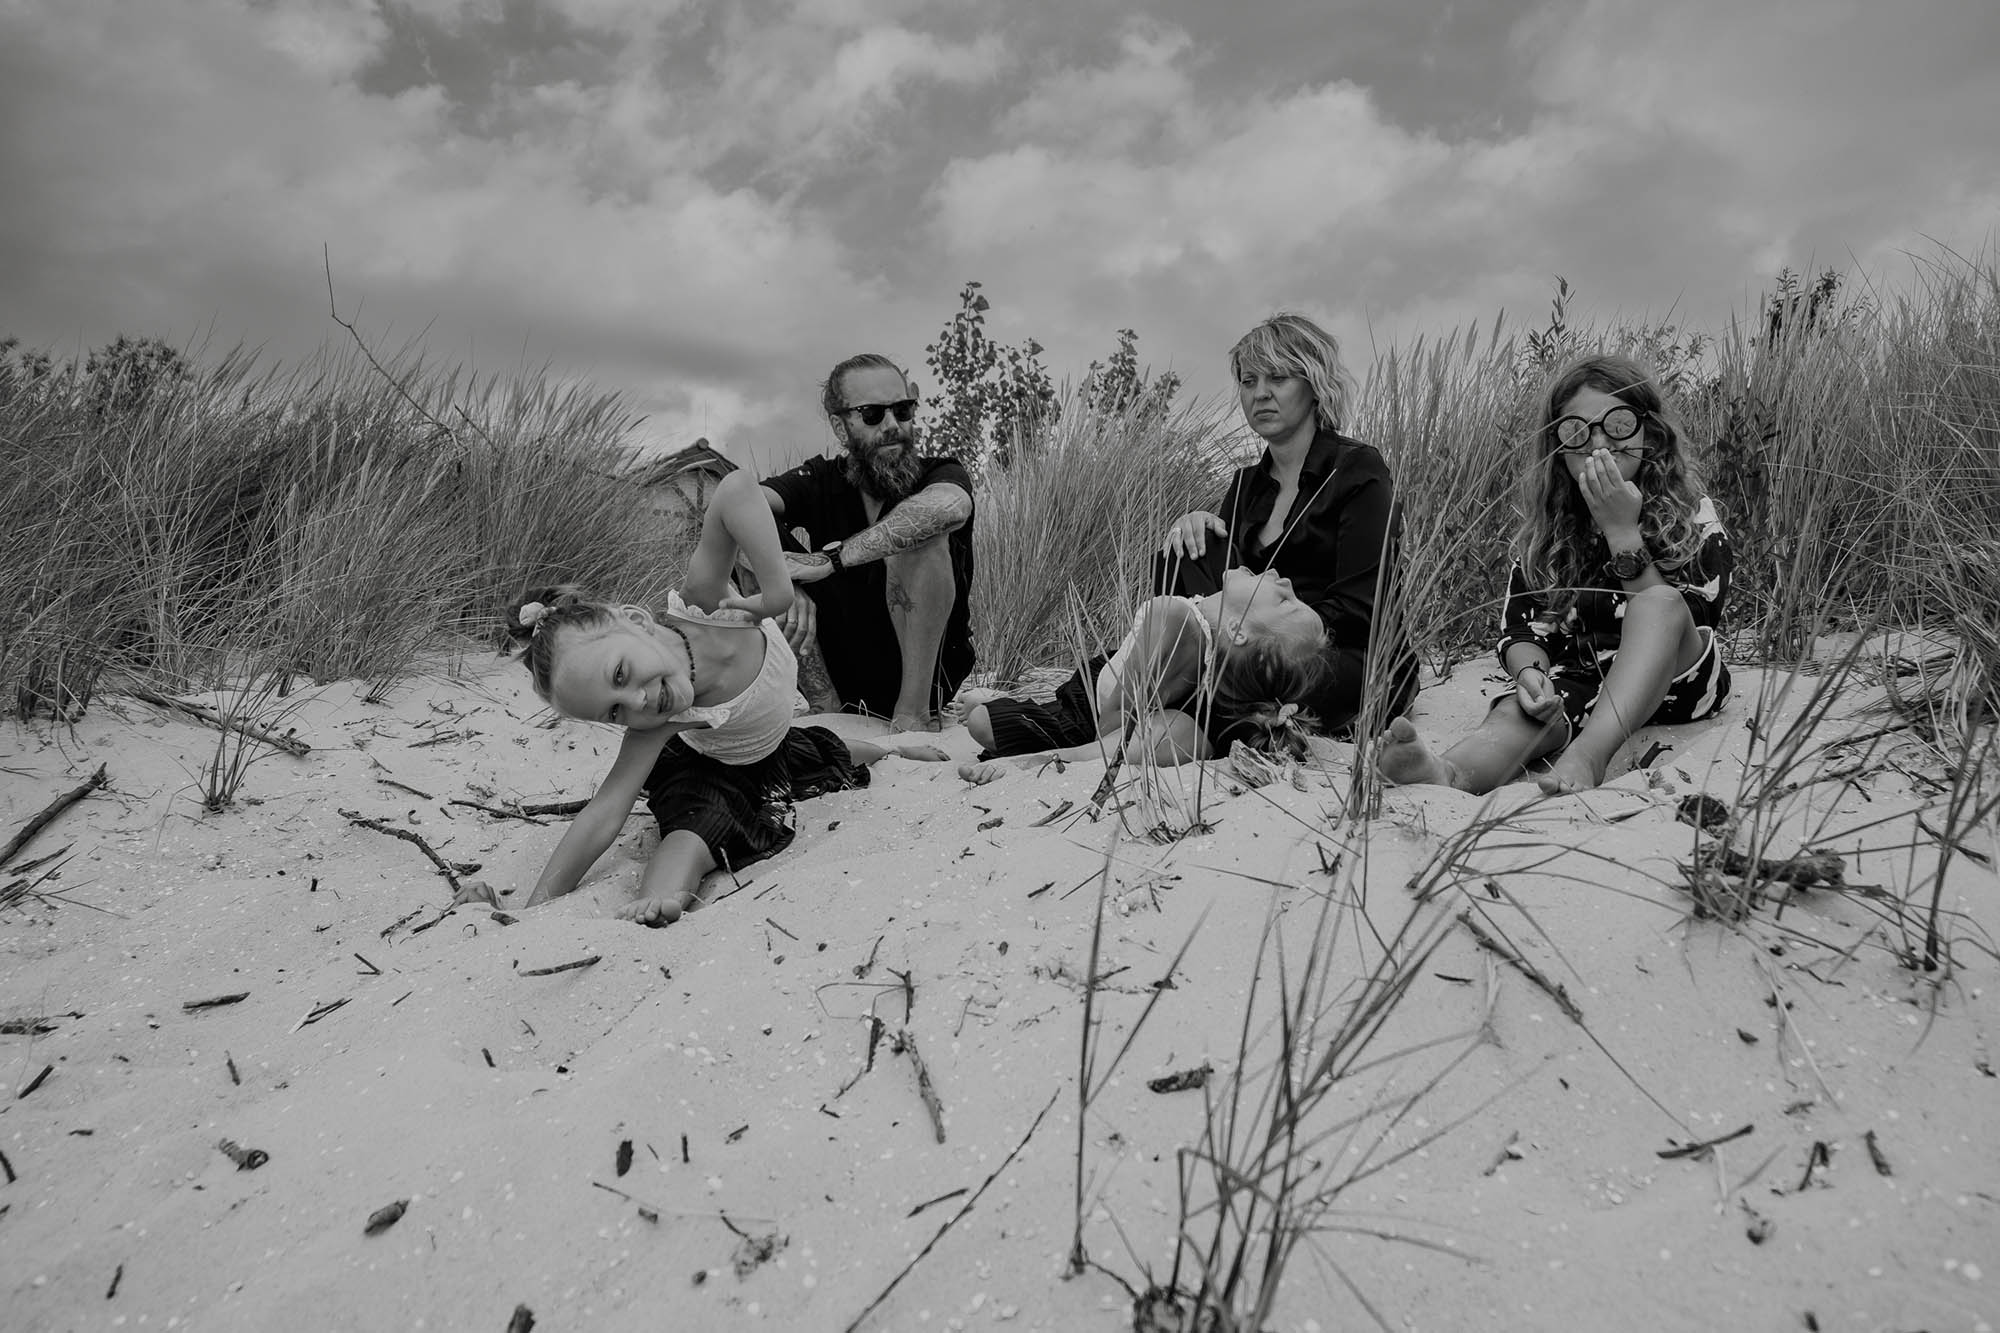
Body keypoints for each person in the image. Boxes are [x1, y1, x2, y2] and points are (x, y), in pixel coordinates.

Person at [500, 471, 947, 926]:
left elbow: (735, 490)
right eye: (615, 711)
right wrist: (535, 908)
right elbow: (604, 813)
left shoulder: (706, 603)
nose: (638, 702)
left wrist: (776, 592)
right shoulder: (654, 728)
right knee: (692, 832)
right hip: (713, 772)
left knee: (825, 751)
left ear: (635, 620)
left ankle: (895, 751)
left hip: (769, 745)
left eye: (621, 673)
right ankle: (656, 901)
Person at [1376, 352, 1733, 796]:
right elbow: (1521, 627)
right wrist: (1531, 673)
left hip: (1680, 680)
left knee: (1658, 603)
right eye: (1577, 431)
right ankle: (1444, 773)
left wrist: (1622, 531)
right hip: (1584, 678)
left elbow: (1693, 616)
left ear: (1650, 433)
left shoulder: (1693, 515)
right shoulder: (1548, 531)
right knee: (1517, 714)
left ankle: (1588, 755)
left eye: (1619, 424)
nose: (1599, 442)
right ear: (1558, 447)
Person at [1157, 313, 1418, 740]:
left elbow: (1361, 609)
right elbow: (1224, 598)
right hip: (1249, 659)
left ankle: (1183, 707)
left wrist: (1270, 640)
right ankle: (1172, 697)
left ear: (1315, 385)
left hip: (1344, 657)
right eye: (1249, 381)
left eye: (1278, 378)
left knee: (1218, 688)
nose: (1260, 393)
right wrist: (1191, 527)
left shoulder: (1357, 469)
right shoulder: (1246, 485)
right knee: (1186, 546)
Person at [758, 353, 976, 732]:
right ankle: (824, 705)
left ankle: (912, 716)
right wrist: (784, 584)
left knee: (920, 530)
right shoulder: (820, 479)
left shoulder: (939, 471)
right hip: (840, 675)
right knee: (749, 540)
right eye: (873, 414)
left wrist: (835, 559)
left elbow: (949, 506)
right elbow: (734, 509)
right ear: (840, 427)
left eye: (903, 410)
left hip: (929, 679)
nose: (893, 425)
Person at [957, 568, 1328, 770]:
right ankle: (1002, 698)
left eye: (1284, 599)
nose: (1284, 577)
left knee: (982, 723)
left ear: (1238, 630)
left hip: (1096, 713)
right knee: (985, 718)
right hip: (1104, 689)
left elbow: (1111, 722)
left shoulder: (1176, 622)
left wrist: (1097, 751)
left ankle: (1039, 749)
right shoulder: (1196, 630)